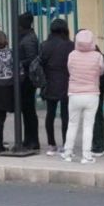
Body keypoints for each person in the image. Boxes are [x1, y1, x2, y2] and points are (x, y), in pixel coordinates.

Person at [61, 29, 104, 164]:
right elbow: (101, 71)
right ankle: (86, 156)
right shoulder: (98, 56)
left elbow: (70, 70)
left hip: (74, 93)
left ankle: (68, 153)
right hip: (92, 93)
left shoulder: (72, 55)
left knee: (72, 124)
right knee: (88, 126)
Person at [39, 18, 73, 155]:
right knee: (66, 115)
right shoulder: (70, 45)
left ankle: (51, 144)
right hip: (67, 82)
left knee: (50, 114)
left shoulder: (45, 45)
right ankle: (66, 143)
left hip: (49, 82)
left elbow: (40, 62)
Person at [18, 12, 40, 151]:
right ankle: (28, 139)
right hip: (24, 78)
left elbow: (32, 59)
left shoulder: (29, 39)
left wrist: (18, 63)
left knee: (29, 111)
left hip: (27, 79)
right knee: (26, 111)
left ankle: (32, 140)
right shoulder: (26, 36)